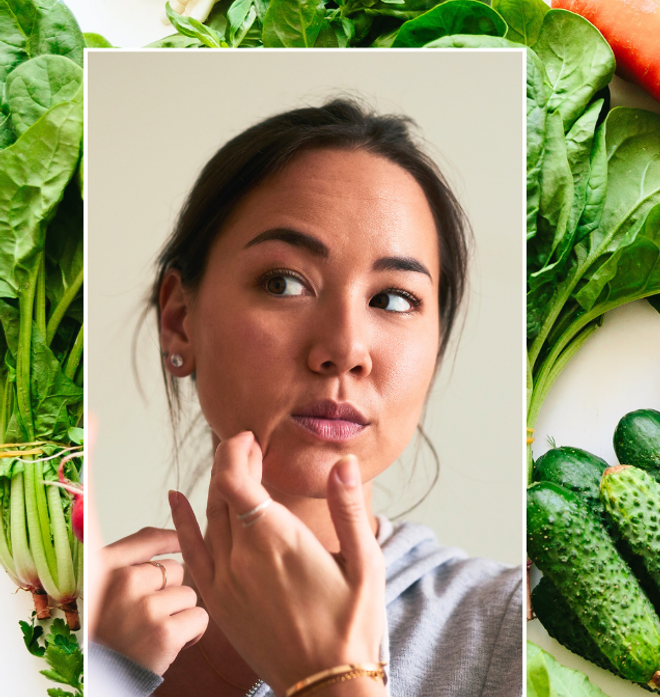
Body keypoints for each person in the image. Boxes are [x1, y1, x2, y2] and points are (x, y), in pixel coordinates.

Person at [88, 99, 523, 697]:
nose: (344, 349)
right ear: (180, 321)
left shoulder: (513, 628)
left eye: (393, 299)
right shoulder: (70, 634)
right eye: (283, 283)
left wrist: (336, 681)